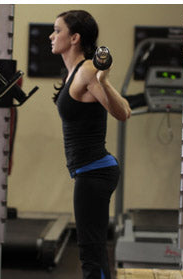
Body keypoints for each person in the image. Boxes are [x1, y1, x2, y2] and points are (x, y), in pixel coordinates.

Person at [50, 10, 131, 279]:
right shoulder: (75, 71)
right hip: (91, 170)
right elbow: (127, 108)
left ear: (74, 37)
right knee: (91, 248)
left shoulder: (86, 71)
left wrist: (103, 81)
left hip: (95, 171)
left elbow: (122, 113)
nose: (52, 36)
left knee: (91, 250)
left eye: (57, 30)